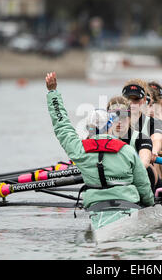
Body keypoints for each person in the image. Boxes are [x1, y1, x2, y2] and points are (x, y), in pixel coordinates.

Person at [45, 72, 154, 209]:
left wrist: (52, 93)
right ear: (109, 124)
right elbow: (143, 184)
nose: (119, 120)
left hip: (95, 204)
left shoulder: (80, 149)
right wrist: (150, 204)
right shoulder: (128, 151)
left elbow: (62, 127)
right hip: (127, 202)